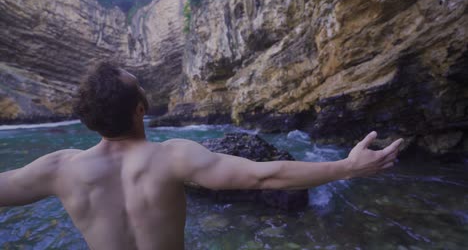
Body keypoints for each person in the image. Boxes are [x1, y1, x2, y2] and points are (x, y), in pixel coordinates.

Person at [0, 63, 403, 250]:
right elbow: (265, 176)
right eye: (140, 86)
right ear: (141, 109)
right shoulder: (174, 157)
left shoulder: (60, 170)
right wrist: (348, 167)